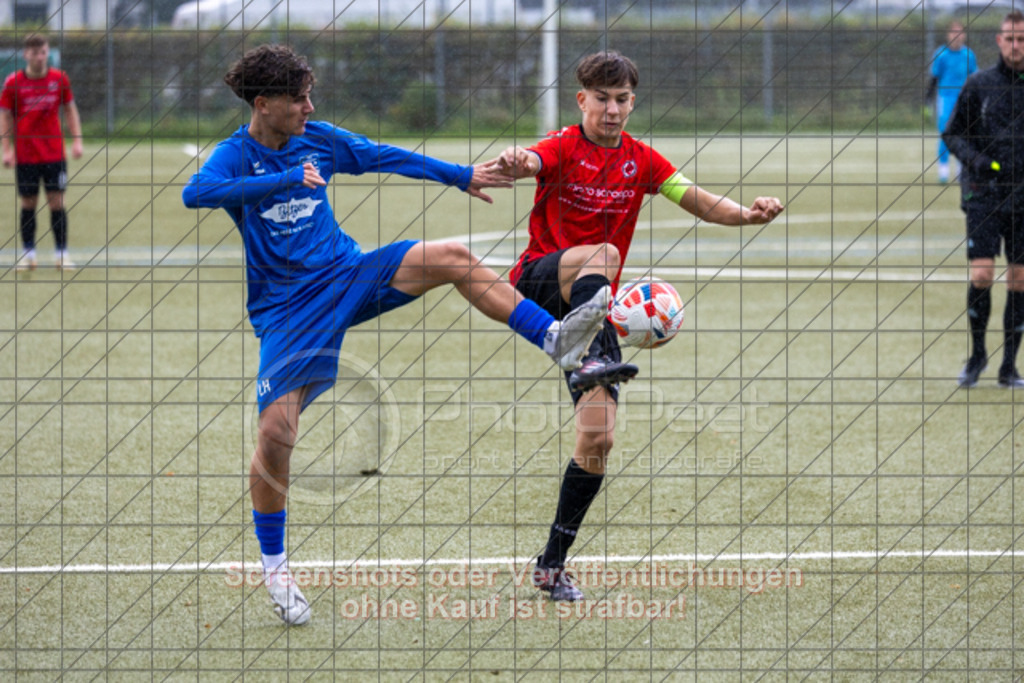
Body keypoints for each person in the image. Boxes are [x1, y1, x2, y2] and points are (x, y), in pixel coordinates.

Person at [181, 44, 617, 625]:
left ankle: (553, 337)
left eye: (311, 95)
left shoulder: (321, 137)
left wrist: (458, 176)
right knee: (276, 433)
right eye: (298, 99)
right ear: (264, 104)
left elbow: (382, 156)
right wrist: (285, 178)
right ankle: (276, 567)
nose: (310, 107)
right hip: (287, 309)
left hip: (348, 275)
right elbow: (197, 194)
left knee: (453, 256)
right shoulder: (234, 156)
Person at [495, 51, 784, 601]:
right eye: (601, 99)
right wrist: (519, 161)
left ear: (633, 101)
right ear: (582, 100)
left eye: (622, 99)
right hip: (541, 280)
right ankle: (586, 346)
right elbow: (535, 160)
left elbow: (696, 199)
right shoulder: (563, 145)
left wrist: (748, 214)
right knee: (603, 251)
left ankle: (551, 564)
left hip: (592, 302)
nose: (612, 109)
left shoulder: (641, 161)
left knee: (598, 436)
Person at [943, 11, 1024, 389]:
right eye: (1010, 38)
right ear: (998, 40)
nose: (1015, 45)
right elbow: (953, 134)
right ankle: (977, 356)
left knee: (1020, 280)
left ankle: (1010, 367)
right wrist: (978, 162)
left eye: (1022, 39)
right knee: (981, 274)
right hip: (983, 196)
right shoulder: (979, 84)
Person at [1, 33, 83, 271]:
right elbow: (5, 116)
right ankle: (28, 255)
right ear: (26, 55)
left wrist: (77, 140)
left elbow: (70, 110)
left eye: (43, 52)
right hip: (26, 155)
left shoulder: (59, 79)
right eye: (35, 53)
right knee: (28, 203)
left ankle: (62, 254)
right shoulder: (13, 83)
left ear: (48, 53)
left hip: (54, 154)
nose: (39, 57)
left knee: (57, 202)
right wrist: (7, 149)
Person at [928, 20, 977, 183]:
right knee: (946, 134)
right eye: (953, 32)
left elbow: (975, 79)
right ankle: (943, 172)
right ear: (948, 35)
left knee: (964, 136)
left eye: (960, 32)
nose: (957, 36)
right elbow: (934, 78)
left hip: (964, 100)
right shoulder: (940, 54)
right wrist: (928, 99)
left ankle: (960, 172)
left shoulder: (969, 55)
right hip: (946, 99)